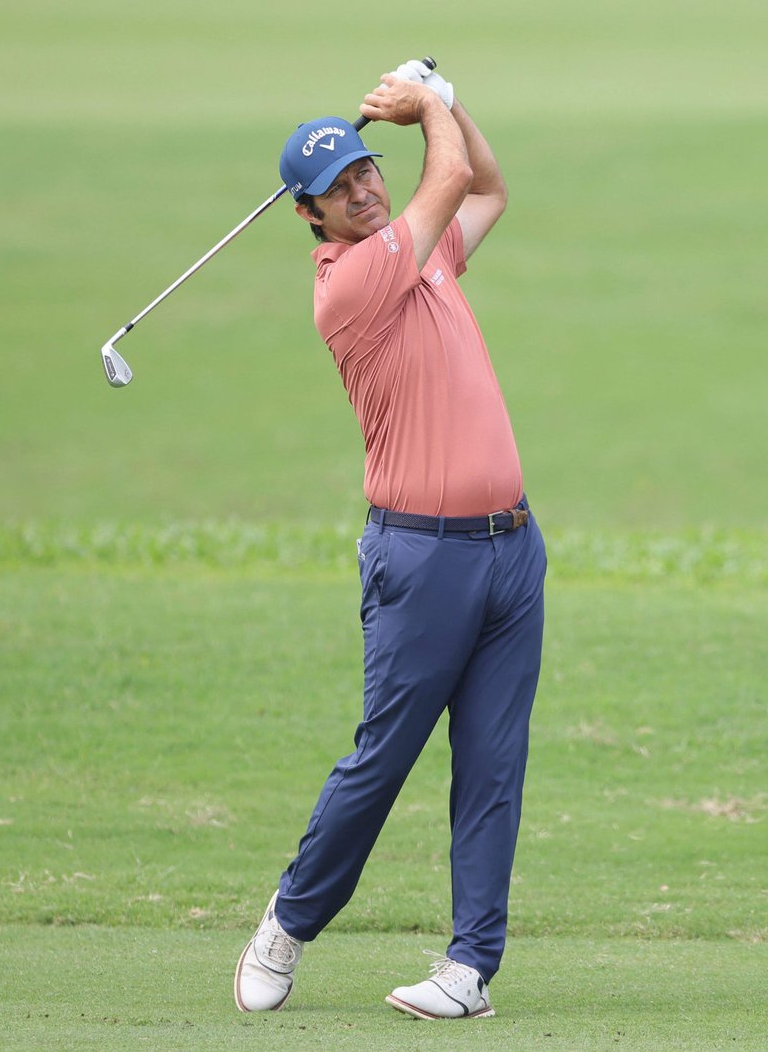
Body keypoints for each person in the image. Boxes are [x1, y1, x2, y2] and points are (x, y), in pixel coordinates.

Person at [233, 60, 546, 1021]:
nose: (364, 190)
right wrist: (425, 106)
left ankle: (469, 968)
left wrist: (448, 106)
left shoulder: (424, 253)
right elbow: (446, 177)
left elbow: (486, 188)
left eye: (367, 169)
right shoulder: (355, 280)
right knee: (383, 759)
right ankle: (288, 922)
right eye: (339, 187)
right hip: (423, 558)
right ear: (309, 216)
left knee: (492, 764)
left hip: (511, 549)